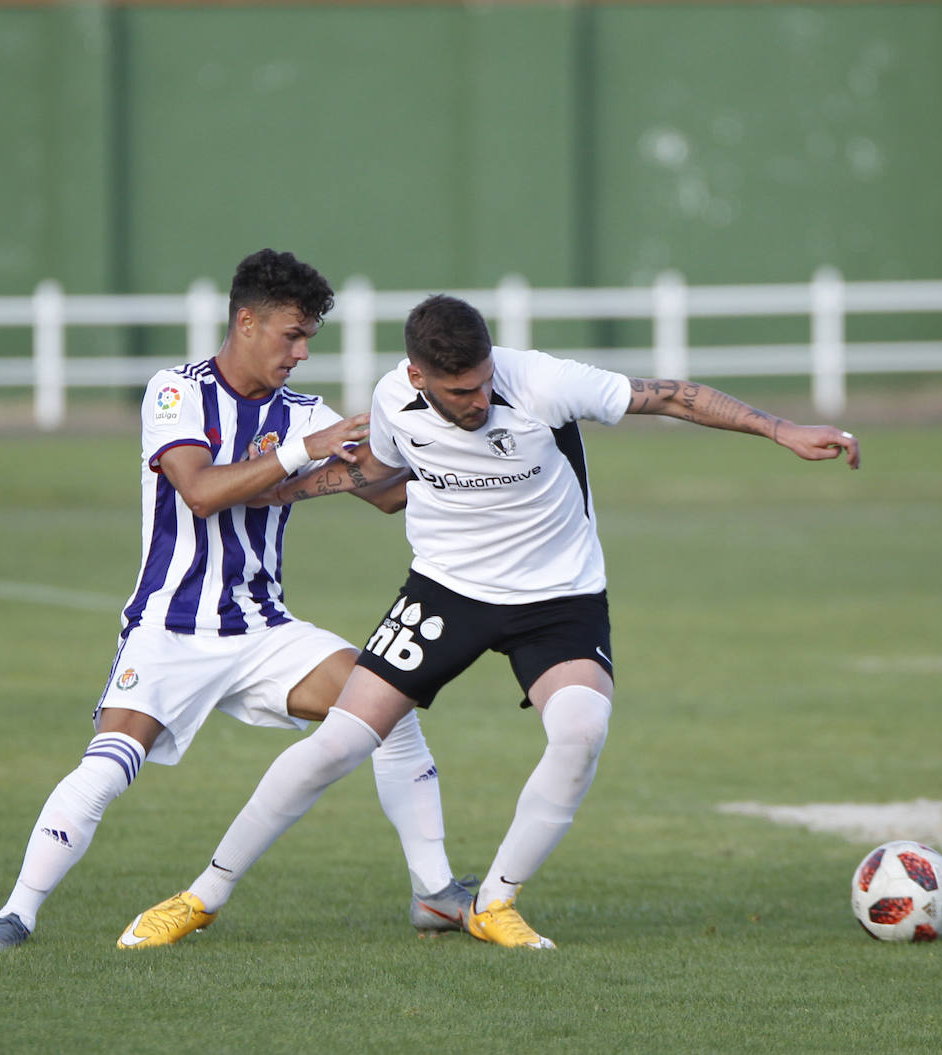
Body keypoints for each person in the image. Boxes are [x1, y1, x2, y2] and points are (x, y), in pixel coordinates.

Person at [123, 292, 861, 950]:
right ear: (417, 378)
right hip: (444, 591)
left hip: (559, 598)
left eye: (481, 384)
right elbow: (375, 473)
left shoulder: (542, 381)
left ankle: (494, 901)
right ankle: (202, 896)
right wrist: (278, 490)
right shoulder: (391, 398)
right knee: (338, 744)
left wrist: (781, 429)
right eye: (458, 391)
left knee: (580, 731)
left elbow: (672, 396)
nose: (476, 400)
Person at [0, 251, 473, 951]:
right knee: (108, 766)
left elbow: (384, 493)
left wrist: (459, 452)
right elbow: (199, 492)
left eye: (308, 339)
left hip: (263, 630)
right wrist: (305, 450)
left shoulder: (304, 412)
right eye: (291, 335)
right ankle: (15, 914)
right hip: (168, 628)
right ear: (246, 321)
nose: (300, 352)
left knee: (388, 698)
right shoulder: (176, 392)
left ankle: (435, 892)